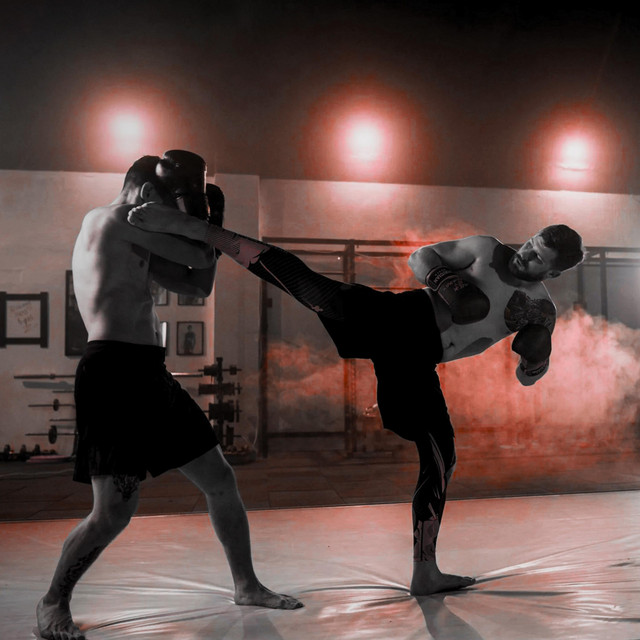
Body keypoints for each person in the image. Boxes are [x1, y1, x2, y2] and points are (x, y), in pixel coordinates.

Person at [127, 203, 584, 596]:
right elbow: (421, 256)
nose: (524, 254)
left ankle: (425, 572)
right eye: (530, 243)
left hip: (418, 361)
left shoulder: (540, 311)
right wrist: (449, 282)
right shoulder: (487, 248)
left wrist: (536, 359)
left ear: (553, 273)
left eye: (536, 258)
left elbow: (526, 380)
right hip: (398, 317)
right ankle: (199, 229)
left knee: (442, 456)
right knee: (306, 284)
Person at [36, 151, 302, 640]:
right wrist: (204, 221)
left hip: (149, 372)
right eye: (165, 208)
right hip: (112, 374)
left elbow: (199, 282)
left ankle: (246, 585)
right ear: (144, 194)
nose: (168, 220)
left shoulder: (136, 240)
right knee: (113, 512)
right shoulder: (109, 221)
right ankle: (53, 601)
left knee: (220, 480)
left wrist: (208, 225)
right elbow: (199, 251)